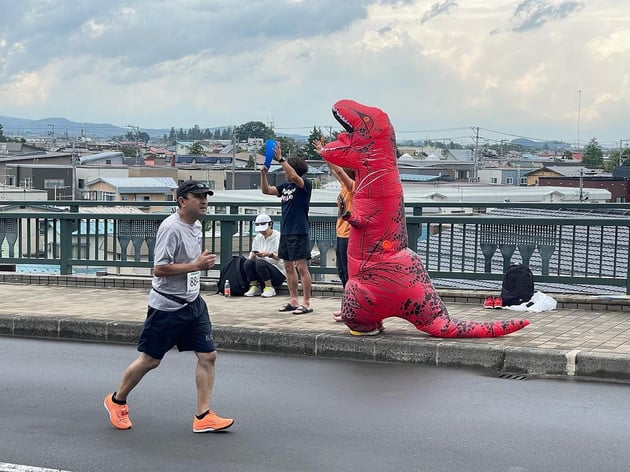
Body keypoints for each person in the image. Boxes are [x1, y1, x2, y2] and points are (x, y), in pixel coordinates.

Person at [104, 180, 234, 433]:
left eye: (206, 196)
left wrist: (196, 268)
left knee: (208, 355)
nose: (204, 201)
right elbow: (160, 268)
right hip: (167, 306)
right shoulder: (170, 228)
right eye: (198, 196)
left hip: (193, 302)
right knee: (150, 360)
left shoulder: (195, 225)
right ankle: (116, 400)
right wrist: (196, 265)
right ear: (182, 201)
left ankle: (203, 416)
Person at [261, 143, 313, 315]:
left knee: (301, 267)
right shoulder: (285, 188)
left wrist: (281, 159)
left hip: (300, 231)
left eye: (287, 169)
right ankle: (293, 299)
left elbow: (295, 177)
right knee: (288, 266)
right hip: (286, 231)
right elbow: (266, 190)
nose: (284, 172)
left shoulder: (304, 185)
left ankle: (306, 302)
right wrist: (263, 175)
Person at [328, 162, 355, 321]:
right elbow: (334, 170)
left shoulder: (353, 186)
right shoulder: (344, 186)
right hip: (341, 234)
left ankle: (350, 309)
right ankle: (346, 307)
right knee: (342, 273)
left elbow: (338, 170)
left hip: (349, 235)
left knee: (348, 275)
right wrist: (324, 156)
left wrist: (326, 153)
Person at [243, 213, 286, 298]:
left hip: (278, 271)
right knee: (248, 263)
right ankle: (254, 286)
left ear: (270, 225)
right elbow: (251, 256)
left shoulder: (278, 237)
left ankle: (269, 287)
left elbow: (281, 257)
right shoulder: (258, 238)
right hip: (261, 271)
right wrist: (254, 256)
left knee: (260, 263)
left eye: (264, 230)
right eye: (261, 231)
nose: (262, 232)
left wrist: (269, 254)